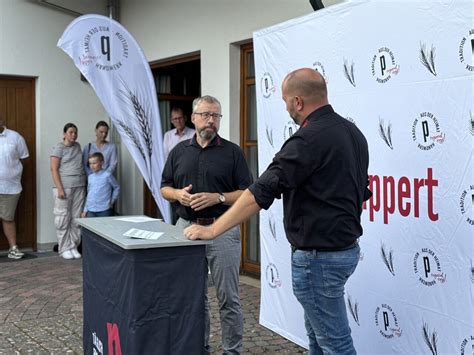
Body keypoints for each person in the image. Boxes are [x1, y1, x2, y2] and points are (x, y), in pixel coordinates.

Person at [184, 68, 372, 355]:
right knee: (319, 337)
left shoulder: (307, 140)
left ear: (298, 101)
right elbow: (362, 193)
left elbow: (259, 192)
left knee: (336, 344)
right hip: (345, 251)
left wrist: (211, 230)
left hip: (319, 259)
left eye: (285, 101)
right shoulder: (353, 133)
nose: (286, 108)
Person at [161, 95, 253, 354]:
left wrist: (219, 197)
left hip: (222, 229)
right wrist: (178, 194)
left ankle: (232, 351)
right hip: (186, 229)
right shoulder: (179, 151)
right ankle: (198, 347)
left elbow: (248, 193)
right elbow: (164, 187)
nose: (211, 120)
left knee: (228, 298)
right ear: (193, 118)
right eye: (206, 115)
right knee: (191, 297)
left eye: (216, 115)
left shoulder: (233, 152)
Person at [50, 123, 86, 260]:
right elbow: (53, 169)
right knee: (62, 218)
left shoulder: (77, 146)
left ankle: (73, 246)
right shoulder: (58, 148)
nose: (73, 135)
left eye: (75, 132)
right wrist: (59, 188)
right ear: (64, 133)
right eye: (71, 132)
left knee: (76, 218)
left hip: (79, 186)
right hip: (64, 187)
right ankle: (63, 247)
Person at [0, 118, 29, 259]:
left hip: (10, 187)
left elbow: (24, 157)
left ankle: (13, 249)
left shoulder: (15, 137)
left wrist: (12, 172)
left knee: (8, 218)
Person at [81, 152, 120, 218]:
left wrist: (112, 201)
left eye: (94, 163)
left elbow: (117, 187)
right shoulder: (90, 177)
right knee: (91, 227)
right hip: (91, 209)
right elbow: (89, 193)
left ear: (101, 163)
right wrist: (85, 210)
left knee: (104, 227)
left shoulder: (107, 175)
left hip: (104, 209)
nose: (92, 166)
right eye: (90, 163)